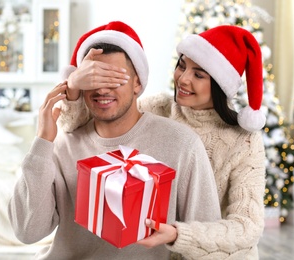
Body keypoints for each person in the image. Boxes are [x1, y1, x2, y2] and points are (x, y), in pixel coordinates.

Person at [8, 21, 221, 260]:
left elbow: (208, 238)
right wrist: (42, 141)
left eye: (114, 79)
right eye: (92, 79)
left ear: (137, 83)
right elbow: (27, 231)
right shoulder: (61, 146)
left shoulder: (182, 144)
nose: (102, 90)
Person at [59, 25, 267, 259]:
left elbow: (247, 226)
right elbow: (78, 125)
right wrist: (75, 85)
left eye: (198, 75)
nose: (183, 79)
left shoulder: (244, 141)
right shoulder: (156, 109)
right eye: (182, 65)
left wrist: (179, 235)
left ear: (220, 84)